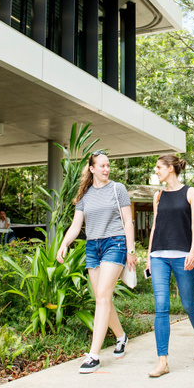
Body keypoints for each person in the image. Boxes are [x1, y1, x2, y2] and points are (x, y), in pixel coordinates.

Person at [56, 150, 137, 374]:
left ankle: (94, 355)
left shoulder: (117, 188)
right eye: (102, 166)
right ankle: (121, 337)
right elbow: (75, 225)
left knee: (102, 296)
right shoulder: (85, 195)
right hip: (93, 247)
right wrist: (64, 244)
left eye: (108, 165)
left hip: (115, 243)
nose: (106, 169)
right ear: (92, 169)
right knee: (103, 298)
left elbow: (128, 222)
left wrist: (131, 249)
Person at [145, 154, 194, 378]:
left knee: (188, 303)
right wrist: (149, 255)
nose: (157, 171)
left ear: (171, 169)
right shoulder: (158, 195)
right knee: (161, 306)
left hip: (183, 255)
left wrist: (193, 251)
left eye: (159, 167)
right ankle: (163, 361)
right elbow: (155, 227)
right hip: (159, 255)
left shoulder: (190, 192)